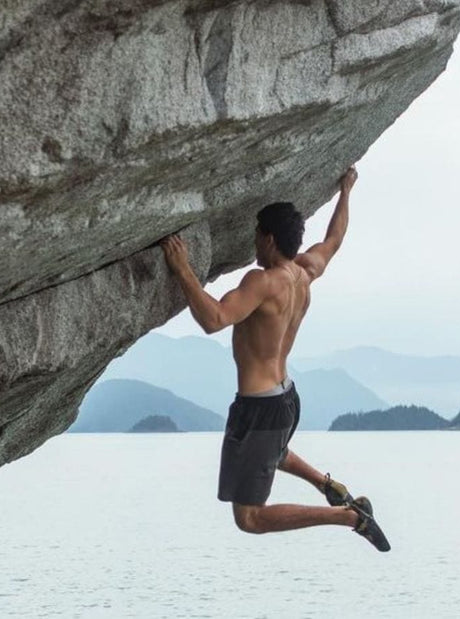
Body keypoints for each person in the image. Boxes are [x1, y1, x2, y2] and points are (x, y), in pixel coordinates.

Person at [160, 167, 389, 551]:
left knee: (249, 518)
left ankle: (349, 516)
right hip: (284, 398)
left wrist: (183, 270)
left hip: (261, 407)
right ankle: (326, 484)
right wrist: (345, 192)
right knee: (271, 451)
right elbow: (334, 239)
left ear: (268, 239)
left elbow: (214, 319)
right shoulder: (305, 272)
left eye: (255, 235)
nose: (252, 242)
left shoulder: (262, 282)